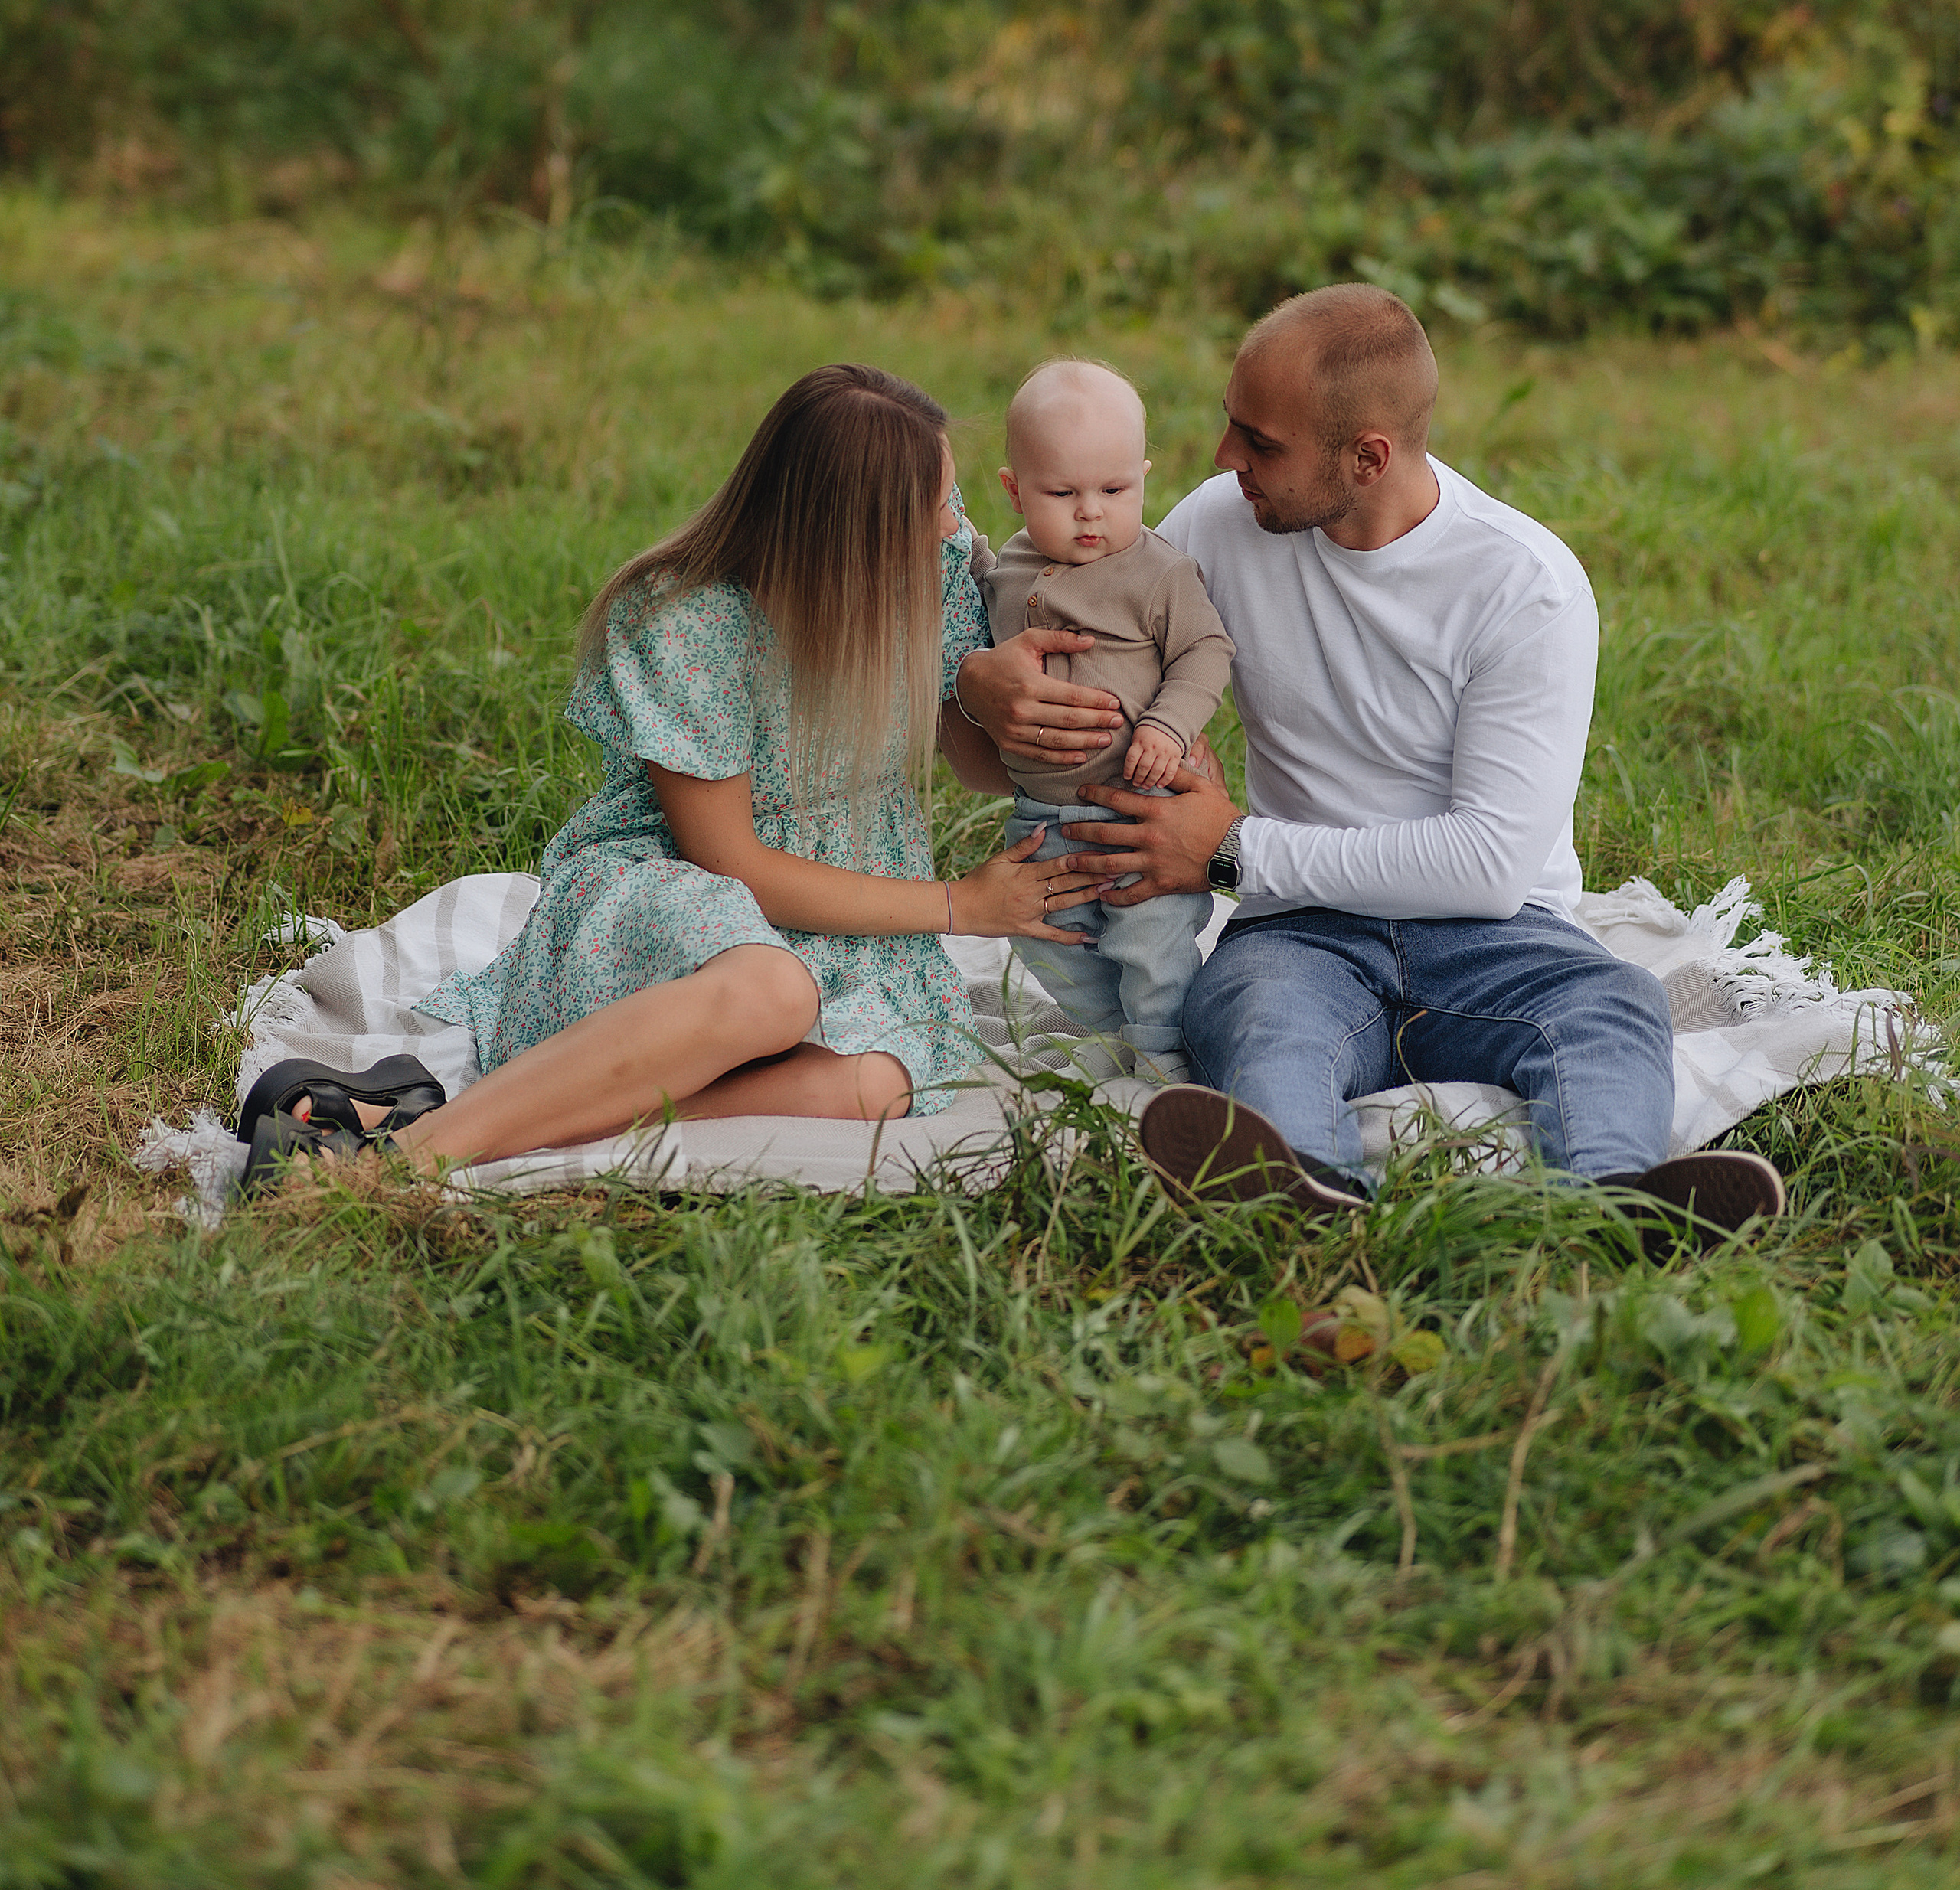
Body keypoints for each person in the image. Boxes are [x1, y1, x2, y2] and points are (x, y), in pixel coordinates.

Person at [955, 287, 1785, 1246]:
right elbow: (1080, 690)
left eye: (1258, 441)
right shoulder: (1219, 525)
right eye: (1231, 426)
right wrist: (985, 688)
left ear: (1368, 457)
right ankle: (1301, 1203)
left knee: (1613, 1002)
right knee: (1251, 1014)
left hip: (1498, 932)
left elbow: (1486, 864)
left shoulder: (1524, 585)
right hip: (1303, 936)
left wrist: (1229, 850)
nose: (1225, 459)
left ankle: (1615, 1208)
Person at [241, 366, 1099, 1185]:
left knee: (878, 1086)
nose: (956, 524)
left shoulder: (931, 571)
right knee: (774, 992)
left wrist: (992, 687)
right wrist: (958, 907)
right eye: (933, 503)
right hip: (671, 890)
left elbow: (981, 770)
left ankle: (445, 1119)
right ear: (849, 536)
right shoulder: (689, 618)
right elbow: (732, 862)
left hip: (851, 913)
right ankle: (406, 1166)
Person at [972, 359, 1234, 1082]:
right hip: (1039, 813)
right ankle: (1113, 1029)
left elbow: (1206, 649)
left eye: (1115, 490)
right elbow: (974, 603)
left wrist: (1166, 727)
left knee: (1150, 941)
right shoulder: (1011, 568)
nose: (1091, 511)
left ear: (1144, 476)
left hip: (1142, 806)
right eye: (1062, 493)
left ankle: (1161, 1053)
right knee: (1047, 935)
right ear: (1014, 489)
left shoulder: (1158, 573)